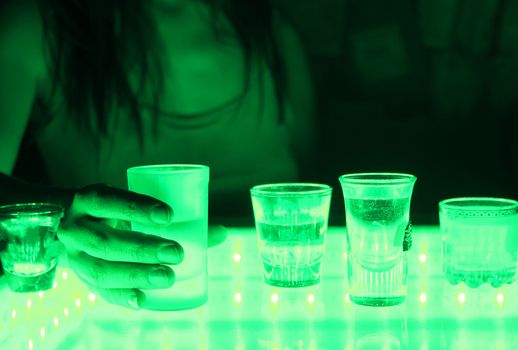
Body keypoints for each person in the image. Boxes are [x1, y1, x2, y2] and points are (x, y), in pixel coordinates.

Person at [0, 0, 315, 308]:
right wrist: (57, 216)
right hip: (112, 316)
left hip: (269, 310)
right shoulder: (36, 30)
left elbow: (312, 185)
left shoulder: (272, 34)